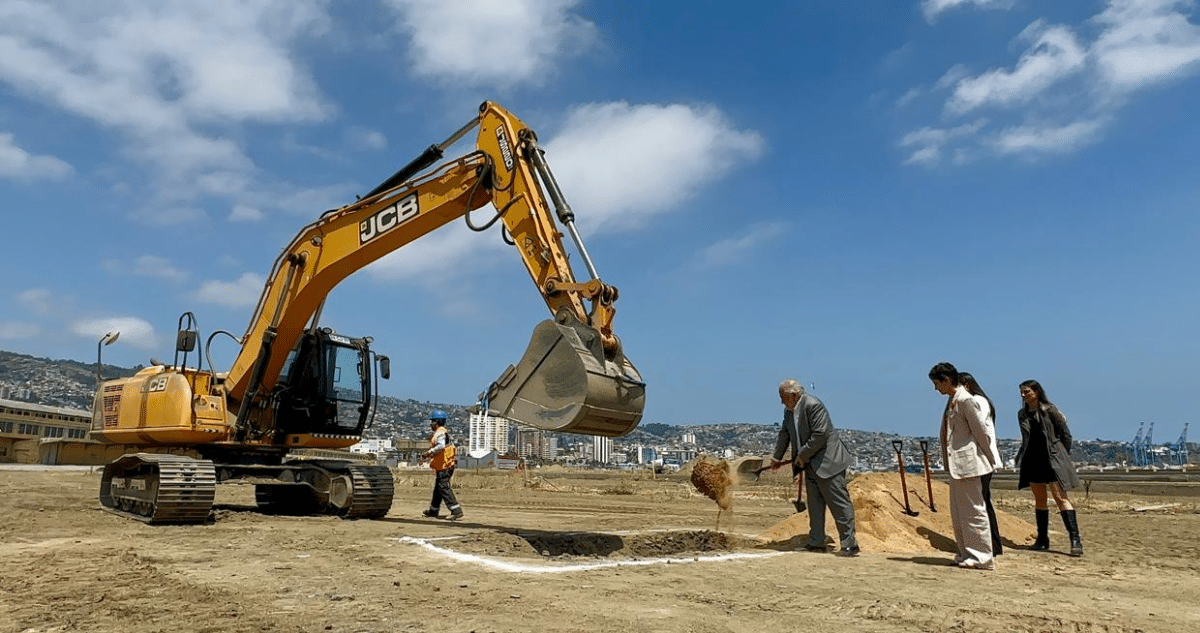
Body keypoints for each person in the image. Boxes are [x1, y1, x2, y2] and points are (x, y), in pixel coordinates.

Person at [769, 378, 860, 557]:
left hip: (828, 463)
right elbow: (785, 433)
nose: (781, 401)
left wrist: (802, 455)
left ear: (793, 395)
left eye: (782, 397)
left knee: (839, 504)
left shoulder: (813, 405)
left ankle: (850, 544)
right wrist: (776, 458)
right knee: (815, 505)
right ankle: (816, 541)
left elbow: (820, 434)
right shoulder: (789, 411)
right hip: (810, 464)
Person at [929, 362, 997, 570]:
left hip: (969, 464)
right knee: (960, 514)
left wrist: (990, 458)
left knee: (974, 512)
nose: (936, 389)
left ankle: (982, 556)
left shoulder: (966, 400)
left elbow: (980, 432)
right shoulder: (953, 400)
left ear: (947, 380)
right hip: (957, 465)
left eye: (937, 384)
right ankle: (967, 552)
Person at [1016, 379, 1083, 556]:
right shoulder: (1022, 414)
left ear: (1037, 392)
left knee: (1061, 498)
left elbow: (1066, 434)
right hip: (1033, 459)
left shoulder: (1049, 410)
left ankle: (1075, 540)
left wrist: (1061, 455)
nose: (1024, 395)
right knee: (1040, 499)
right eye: (1022, 392)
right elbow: (1026, 438)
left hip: (1053, 458)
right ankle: (1043, 539)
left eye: (1027, 391)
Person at [958, 372, 1004, 555]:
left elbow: (978, 429)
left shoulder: (977, 401)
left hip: (982, 459)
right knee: (984, 501)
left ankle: (989, 545)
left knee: (981, 503)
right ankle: (993, 544)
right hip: (981, 458)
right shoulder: (978, 401)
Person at [421, 410, 463, 521]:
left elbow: (440, 446)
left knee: (443, 487)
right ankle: (433, 510)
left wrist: (429, 453)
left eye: (432, 421)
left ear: (437, 422)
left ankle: (456, 511)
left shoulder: (440, 433)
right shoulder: (441, 433)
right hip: (443, 466)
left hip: (445, 466)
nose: (431, 424)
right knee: (438, 488)